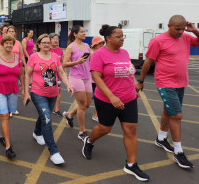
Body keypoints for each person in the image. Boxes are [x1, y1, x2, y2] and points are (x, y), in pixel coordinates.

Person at [82, 24, 149, 181]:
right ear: (108, 38)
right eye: (119, 36)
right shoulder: (99, 54)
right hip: (106, 99)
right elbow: (96, 77)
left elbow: (127, 73)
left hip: (128, 98)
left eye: (122, 36)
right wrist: (112, 97)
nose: (122, 39)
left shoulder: (125, 53)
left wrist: (133, 88)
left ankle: (131, 165)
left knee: (131, 129)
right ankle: (89, 141)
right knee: (105, 129)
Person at [136, 15, 199, 169]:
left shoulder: (185, 37)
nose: (180, 32)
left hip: (181, 82)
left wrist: (195, 31)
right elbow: (148, 62)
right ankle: (178, 152)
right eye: (177, 28)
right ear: (169, 25)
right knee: (177, 115)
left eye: (183, 29)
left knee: (169, 111)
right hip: (165, 83)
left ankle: (161, 138)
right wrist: (141, 81)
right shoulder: (158, 41)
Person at [23, 34, 74, 165]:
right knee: (47, 119)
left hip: (53, 93)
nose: (46, 44)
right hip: (38, 93)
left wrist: (68, 85)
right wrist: (26, 92)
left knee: (44, 115)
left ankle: (37, 132)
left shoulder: (55, 57)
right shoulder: (33, 57)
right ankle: (54, 151)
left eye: (48, 42)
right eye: (43, 42)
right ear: (38, 45)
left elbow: (61, 72)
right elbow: (27, 74)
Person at [0, 35, 25, 158]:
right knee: (4, 115)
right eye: (6, 43)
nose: (9, 45)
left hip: (13, 90)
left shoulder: (17, 57)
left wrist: (24, 90)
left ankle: (2, 135)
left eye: (11, 43)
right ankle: (8, 146)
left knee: (8, 115)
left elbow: (22, 75)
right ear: (2, 44)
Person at [62, 25, 92, 141]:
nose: (84, 33)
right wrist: (77, 62)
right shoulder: (71, 47)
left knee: (87, 104)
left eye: (84, 32)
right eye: (82, 32)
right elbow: (64, 64)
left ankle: (69, 115)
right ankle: (82, 131)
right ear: (75, 34)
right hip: (76, 77)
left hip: (87, 77)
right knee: (82, 105)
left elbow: (91, 59)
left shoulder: (86, 46)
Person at [6, 25, 27, 117]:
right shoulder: (4, 42)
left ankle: (13, 108)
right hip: (7, 66)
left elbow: (21, 55)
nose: (11, 33)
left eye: (13, 31)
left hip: (17, 66)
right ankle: (8, 109)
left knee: (15, 88)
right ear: (7, 33)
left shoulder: (18, 43)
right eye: (9, 31)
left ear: (15, 33)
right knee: (8, 88)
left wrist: (25, 65)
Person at [90, 36, 105, 123]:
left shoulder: (100, 52)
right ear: (95, 44)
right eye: (100, 43)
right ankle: (71, 114)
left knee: (98, 97)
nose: (101, 45)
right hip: (91, 79)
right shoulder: (91, 52)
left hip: (99, 79)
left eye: (102, 43)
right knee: (86, 101)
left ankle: (96, 115)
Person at [49, 33, 64, 117]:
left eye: (57, 39)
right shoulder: (47, 49)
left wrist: (64, 72)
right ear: (50, 40)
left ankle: (56, 109)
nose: (56, 40)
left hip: (58, 73)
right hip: (49, 74)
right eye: (54, 39)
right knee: (50, 90)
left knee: (58, 90)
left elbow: (62, 62)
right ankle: (48, 107)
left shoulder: (60, 50)